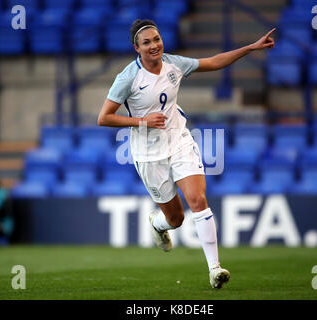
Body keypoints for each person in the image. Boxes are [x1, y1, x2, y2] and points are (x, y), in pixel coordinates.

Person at [98, 19, 275, 289]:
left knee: (198, 198)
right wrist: (142, 122)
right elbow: (104, 118)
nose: (154, 45)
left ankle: (214, 269)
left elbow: (214, 62)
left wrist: (250, 48)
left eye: (156, 39)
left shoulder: (174, 64)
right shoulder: (127, 78)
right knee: (176, 220)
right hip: (148, 153)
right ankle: (158, 225)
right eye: (146, 42)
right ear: (137, 48)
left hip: (179, 140)